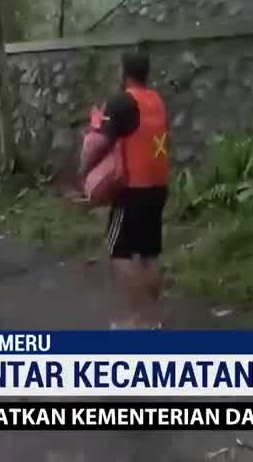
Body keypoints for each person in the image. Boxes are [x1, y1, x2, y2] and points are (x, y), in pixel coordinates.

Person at [98, 51, 171, 329]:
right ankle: (155, 318)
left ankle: (137, 321)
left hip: (132, 190)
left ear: (125, 72)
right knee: (150, 253)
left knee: (120, 252)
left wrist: (87, 174)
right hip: (158, 187)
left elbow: (101, 143)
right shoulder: (157, 101)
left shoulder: (122, 102)